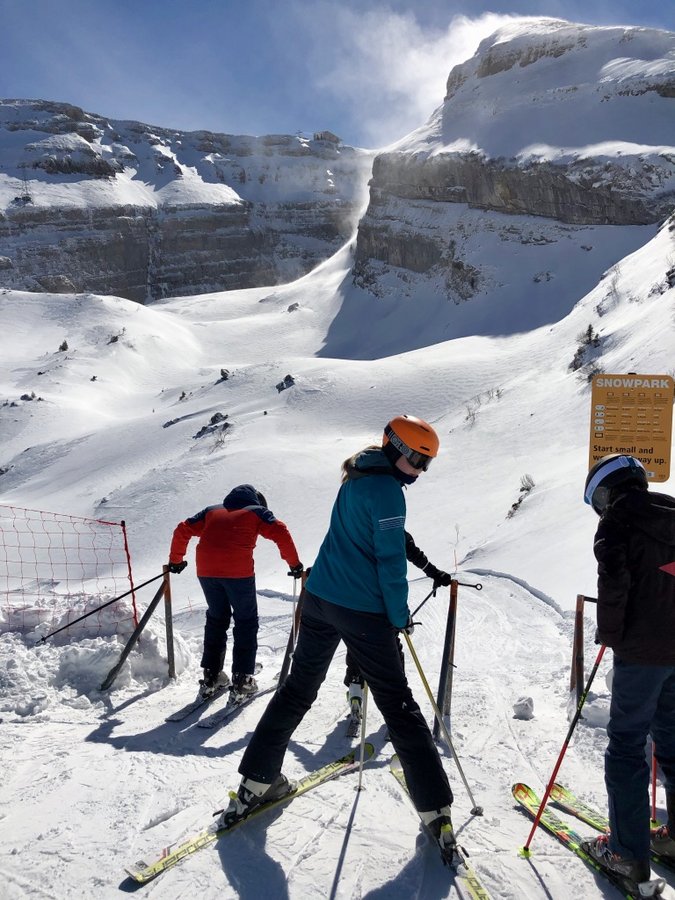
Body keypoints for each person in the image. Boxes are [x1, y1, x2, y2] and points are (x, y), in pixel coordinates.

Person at [218, 415, 455, 855]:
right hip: (361, 610)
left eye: (428, 463)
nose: (421, 470)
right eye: (417, 459)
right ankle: (435, 810)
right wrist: (399, 616)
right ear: (395, 448)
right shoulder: (387, 491)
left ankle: (256, 782)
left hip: (320, 598)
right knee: (398, 704)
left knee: (297, 689)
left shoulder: (357, 474)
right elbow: (390, 560)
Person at [580, 454, 675, 891]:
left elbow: (613, 583)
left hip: (640, 653)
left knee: (626, 746)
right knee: (672, 742)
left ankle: (626, 854)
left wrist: (610, 634)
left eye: (598, 499)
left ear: (609, 490)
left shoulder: (617, 521)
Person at [168, 484, 303, 698]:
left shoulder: (211, 511)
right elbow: (280, 531)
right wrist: (294, 564)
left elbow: (183, 528)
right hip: (238, 573)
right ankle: (242, 680)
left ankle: (211, 676)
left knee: (217, 618)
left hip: (206, 570)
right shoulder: (257, 512)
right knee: (246, 621)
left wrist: (176, 560)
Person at [344, 530, 452, 718]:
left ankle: (355, 689)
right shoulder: (397, 532)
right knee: (392, 645)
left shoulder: (360, 529)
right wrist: (435, 573)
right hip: (385, 601)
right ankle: (399, 700)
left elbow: (339, 555)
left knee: (358, 643)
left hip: (357, 598)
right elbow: (415, 555)